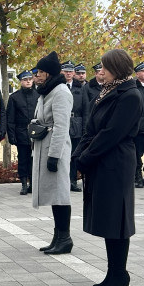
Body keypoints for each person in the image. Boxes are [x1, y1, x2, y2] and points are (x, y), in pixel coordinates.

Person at [73, 48, 142, 286]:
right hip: (101, 160)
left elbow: (112, 133)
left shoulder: (130, 95)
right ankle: (113, 272)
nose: (99, 71)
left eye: (104, 67)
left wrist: (87, 158)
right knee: (108, 218)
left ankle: (119, 273)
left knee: (118, 219)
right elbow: (91, 129)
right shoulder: (105, 93)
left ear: (116, 69)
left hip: (116, 162)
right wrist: (79, 155)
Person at [31, 51, 73, 254]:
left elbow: (61, 127)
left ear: (49, 73)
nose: (36, 75)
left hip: (55, 150)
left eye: (40, 72)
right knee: (54, 195)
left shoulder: (61, 92)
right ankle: (58, 236)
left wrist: (54, 156)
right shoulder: (46, 91)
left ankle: (65, 238)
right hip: (44, 146)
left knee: (60, 195)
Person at [7, 69, 38, 195]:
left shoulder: (39, 95)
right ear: (20, 82)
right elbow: (10, 119)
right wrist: (11, 135)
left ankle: (33, 183)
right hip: (21, 132)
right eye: (25, 80)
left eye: (30, 79)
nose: (28, 81)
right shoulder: (14, 97)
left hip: (37, 132)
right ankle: (24, 184)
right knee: (23, 159)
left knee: (35, 160)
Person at [64, 62, 87, 193]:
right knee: (63, 155)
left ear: (74, 73)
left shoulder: (80, 88)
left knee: (74, 155)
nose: (68, 73)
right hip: (63, 123)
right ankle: (63, 181)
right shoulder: (59, 86)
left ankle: (72, 181)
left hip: (76, 123)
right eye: (65, 71)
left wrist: (84, 128)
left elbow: (86, 110)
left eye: (70, 71)